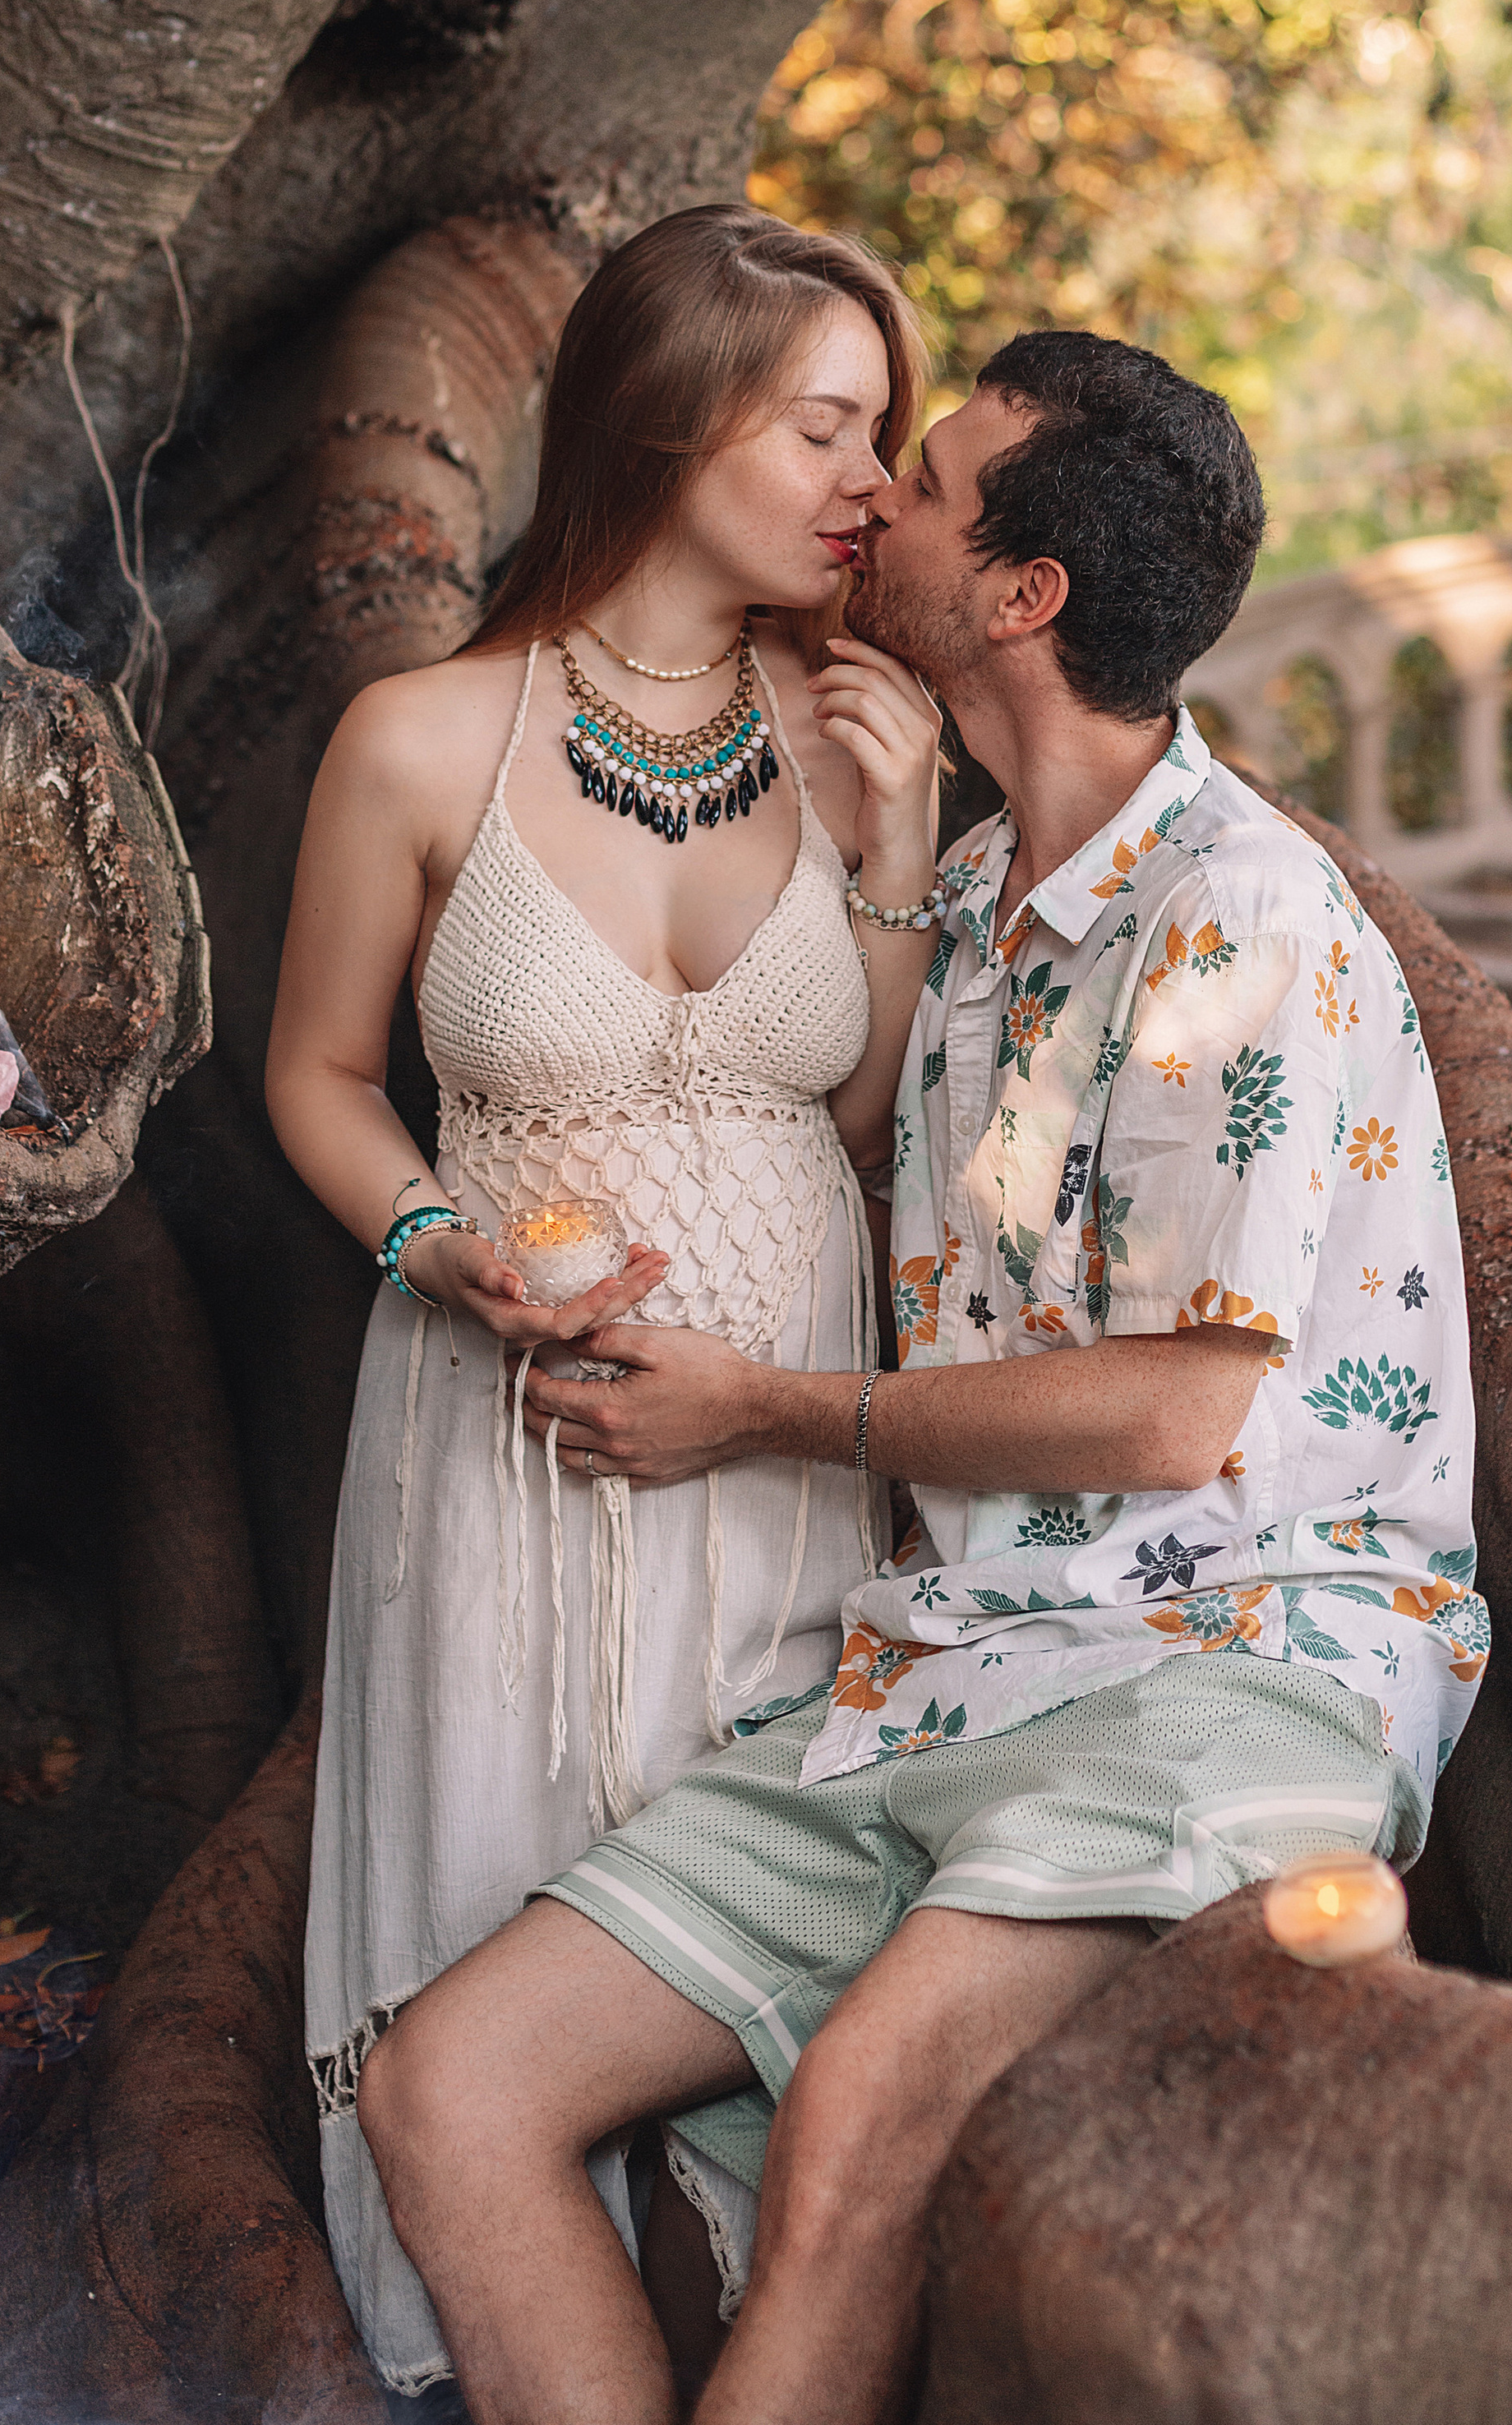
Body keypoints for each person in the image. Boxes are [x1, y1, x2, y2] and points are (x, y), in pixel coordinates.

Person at [357, 331, 1486, 2425]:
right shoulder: (968, 898)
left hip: (1228, 1656)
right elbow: (846, 1165)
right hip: (944, 1666)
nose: (876, 493)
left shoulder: (1237, 920)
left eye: (932, 478)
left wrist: (755, 1411)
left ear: (1020, 594)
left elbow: (1171, 1417)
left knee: (856, 2121)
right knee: (451, 2085)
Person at [265, 205, 942, 2397]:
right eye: (826, 428)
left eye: (882, 434)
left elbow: (866, 1123)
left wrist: (894, 851)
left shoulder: (859, 731)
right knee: (503, 1945)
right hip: (503, 1448)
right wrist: (429, 1245)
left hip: (785, 1448)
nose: (869, 483)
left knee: (754, 1994)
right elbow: (317, 1076)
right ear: (669, 419)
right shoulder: (417, 740)